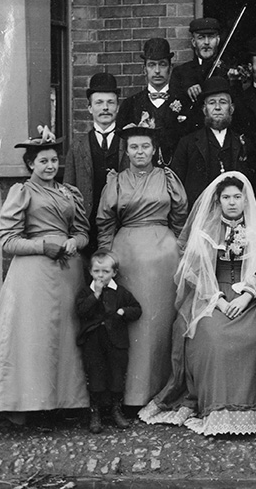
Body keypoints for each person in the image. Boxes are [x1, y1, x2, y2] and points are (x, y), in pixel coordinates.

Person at [139, 172, 256, 435]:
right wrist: (220, 303)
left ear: (246, 200)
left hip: (248, 297)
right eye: (226, 197)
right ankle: (215, 409)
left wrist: (247, 296)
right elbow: (197, 272)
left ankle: (250, 409)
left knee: (254, 337)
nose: (232, 202)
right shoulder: (208, 229)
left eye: (237, 197)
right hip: (211, 296)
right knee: (213, 337)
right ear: (218, 200)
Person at [0, 126, 89, 425]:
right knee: (35, 338)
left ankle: (62, 403)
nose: (50, 167)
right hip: (34, 275)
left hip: (68, 273)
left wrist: (75, 241)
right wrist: (41, 246)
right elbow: (8, 240)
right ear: (30, 165)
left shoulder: (68, 192)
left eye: (53, 161)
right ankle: (31, 406)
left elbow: (82, 231)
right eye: (43, 162)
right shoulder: (21, 192)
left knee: (64, 338)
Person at [95, 119, 188, 409]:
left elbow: (180, 214)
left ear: (154, 149)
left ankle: (163, 390)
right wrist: (106, 256)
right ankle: (131, 395)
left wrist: (177, 246)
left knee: (160, 321)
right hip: (128, 255)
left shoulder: (168, 178)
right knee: (133, 322)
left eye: (145, 146)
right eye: (134, 147)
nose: (139, 152)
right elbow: (105, 221)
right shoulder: (117, 181)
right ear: (127, 150)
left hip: (163, 255)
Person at [75, 250, 142, 433]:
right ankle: (95, 413)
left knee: (117, 376)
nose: (101, 276)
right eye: (96, 271)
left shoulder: (120, 292)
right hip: (94, 342)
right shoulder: (87, 291)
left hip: (116, 342)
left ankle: (116, 410)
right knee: (95, 376)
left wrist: (123, 312)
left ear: (114, 273)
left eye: (105, 272)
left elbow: (137, 309)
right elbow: (81, 311)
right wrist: (94, 296)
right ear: (90, 272)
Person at [64, 73, 127, 254]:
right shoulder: (77, 146)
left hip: (121, 225)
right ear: (89, 108)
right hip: (87, 227)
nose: (105, 108)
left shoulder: (128, 143)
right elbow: (68, 191)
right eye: (99, 103)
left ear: (117, 107)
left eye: (110, 102)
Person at [171, 76, 250, 207]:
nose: (217, 107)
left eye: (223, 102)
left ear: (232, 108)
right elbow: (176, 187)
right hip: (199, 217)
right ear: (204, 109)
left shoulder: (243, 143)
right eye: (212, 102)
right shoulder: (188, 144)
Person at [116, 38, 192, 166]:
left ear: (170, 68)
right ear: (144, 68)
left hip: (176, 176)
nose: (157, 71)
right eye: (151, 65)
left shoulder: (185, 102)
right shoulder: (130, 104)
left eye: (162, 64)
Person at [170, 17, 230, 106]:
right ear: (194, 42)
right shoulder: (180, 72)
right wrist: (188, 92)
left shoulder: (226, 70)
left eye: (211, 37)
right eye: (201, 38)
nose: (206, 42)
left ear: (218, 40)